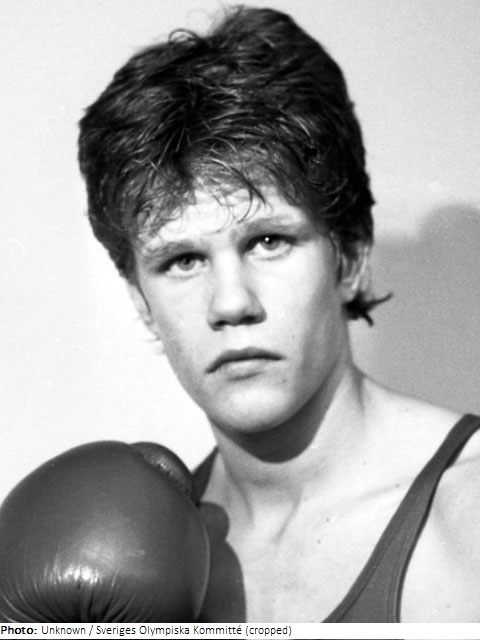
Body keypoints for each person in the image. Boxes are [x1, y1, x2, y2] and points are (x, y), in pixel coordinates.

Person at [76, 5, 480, 623]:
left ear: (349, 256)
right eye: (183, 260)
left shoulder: (468, 515)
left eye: (269, 241)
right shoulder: (130, 559)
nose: (232, 303)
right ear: (141, 301)